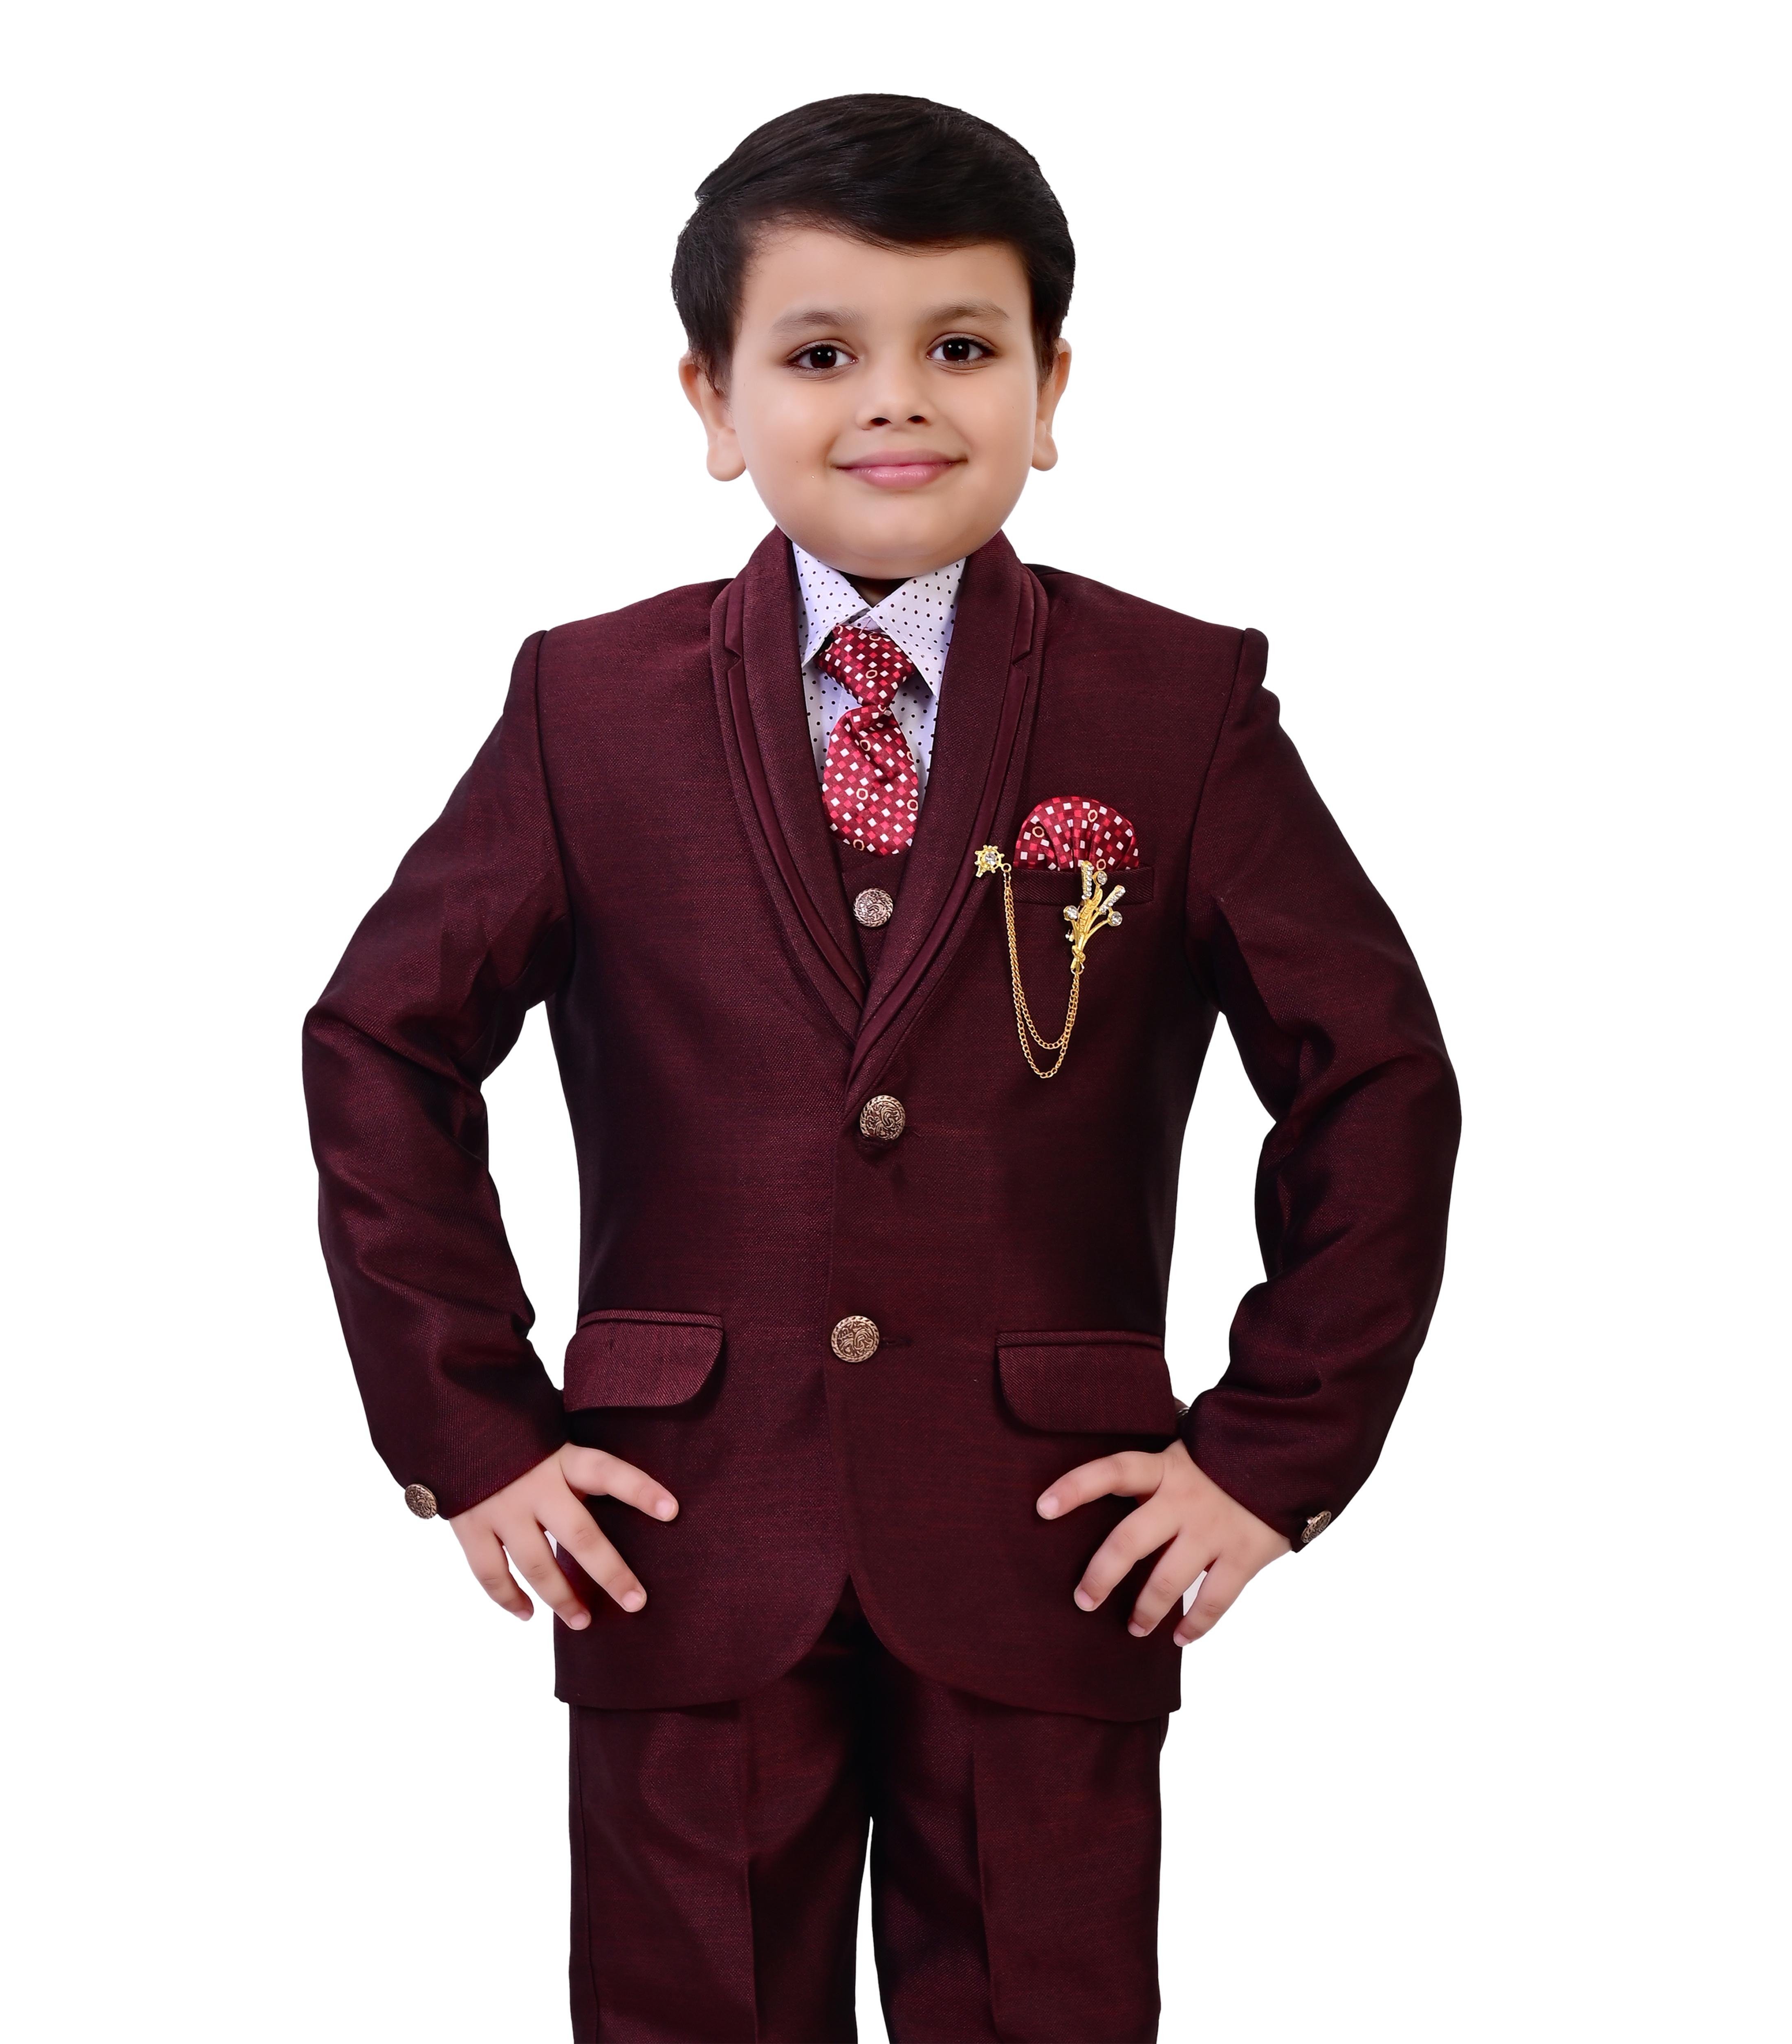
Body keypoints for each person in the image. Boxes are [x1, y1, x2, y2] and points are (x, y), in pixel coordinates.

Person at [304, 92, 1459, 2044]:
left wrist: (1269, 1454)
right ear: (711, 398)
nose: (896, 400)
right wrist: (472, 1425)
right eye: (821, 354)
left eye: (961, 347)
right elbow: (379, 1040)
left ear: (1049, 386)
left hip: (1052, 1530)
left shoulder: (1174, 702)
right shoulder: (587, 703)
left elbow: (1374, 1079)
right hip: (677, 1528)